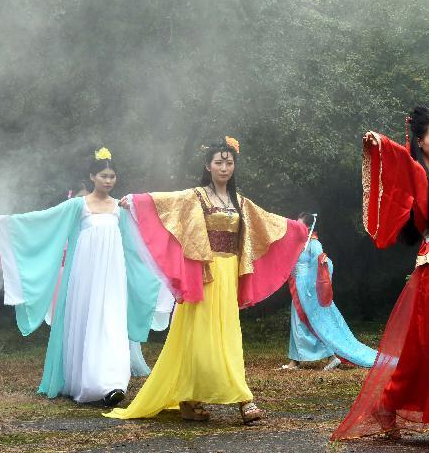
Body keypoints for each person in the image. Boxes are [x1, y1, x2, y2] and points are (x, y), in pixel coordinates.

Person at [104, 137, 308, 424]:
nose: (224, 167)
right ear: (207, 165)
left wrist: (296, 230)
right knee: (198, 336)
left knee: (227, 335)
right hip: (204, 275)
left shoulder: (240, 202)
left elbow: (268, 222)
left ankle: (193, 399)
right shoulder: (196, 196)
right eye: (219, 162)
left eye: (229, 162)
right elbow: (167, 203)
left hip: (229, 273)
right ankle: (241, 399)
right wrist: (137, 202)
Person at [331, 106, 429, 449]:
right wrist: (379, 141)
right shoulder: (419, 175)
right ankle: (393, 405)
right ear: (420, 142)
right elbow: (399, 162)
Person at [0, 148, 165, 406]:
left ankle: (113, 383)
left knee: (111, 321)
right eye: (104, 175)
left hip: (113, 277)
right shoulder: (78, 205)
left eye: (112, 176)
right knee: (86, 321)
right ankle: (87, 380)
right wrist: (7, 222)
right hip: (85, 276)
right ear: (92, 176)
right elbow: (44, 219)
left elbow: (140, 238)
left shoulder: (120, 208)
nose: (108, 180)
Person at [281, 213, 376, 371]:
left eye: (300, 225)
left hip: (308, 289)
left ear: (309, 227)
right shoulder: (299, 243)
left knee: (316, 323)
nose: (297, 228)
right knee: (297, 323)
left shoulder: (314, 244)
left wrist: (322, 263)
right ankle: (295, 360)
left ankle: (331, 356)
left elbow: (321, 264)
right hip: (298, 287)